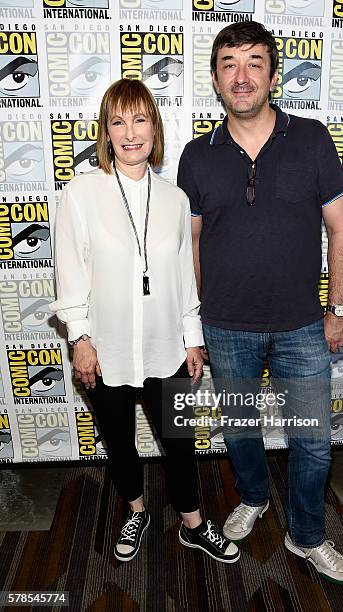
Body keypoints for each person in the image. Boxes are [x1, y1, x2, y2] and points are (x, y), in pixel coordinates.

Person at [178, 22, 343, 584]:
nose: (242, 75)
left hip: (304, 325)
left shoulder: (312, 139)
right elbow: (192, 245)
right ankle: (252, 497)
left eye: (255, 62)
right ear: (214, 79)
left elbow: (340, 231)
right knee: (239, 429)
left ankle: (306, 536)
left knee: (314, 443)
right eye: (229, 63)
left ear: (275, 75)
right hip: (226, 326)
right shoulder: (195, 155)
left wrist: (338, 309)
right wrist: (195, 327)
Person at [50, 78, 239, 565]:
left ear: (154, 128)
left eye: (140, 119)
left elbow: (182, 275)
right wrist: (80, 339)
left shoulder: (175, 199)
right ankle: (136, 510)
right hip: (105, 349)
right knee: (120, 442)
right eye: (118, 121)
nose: (130, 132)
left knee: (179, 441)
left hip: (165, 346)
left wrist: (192, 338)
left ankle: (193, 524)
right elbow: (70, 273)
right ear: (106, 133)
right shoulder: (81, 194)